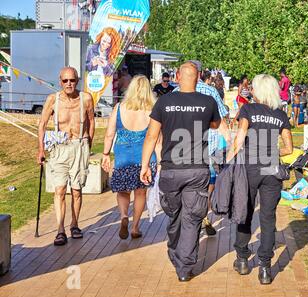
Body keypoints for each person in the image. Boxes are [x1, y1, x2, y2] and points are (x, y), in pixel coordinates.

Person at [140, 62, 221, 282]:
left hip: (171, 169)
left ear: (177, 76)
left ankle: (179, 257)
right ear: (198, 78)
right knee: (191, 217)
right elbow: (215, 124)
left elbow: (151, 136)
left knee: (177, 215)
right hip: (197, 169)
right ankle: (184, 264)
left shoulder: (165, 102)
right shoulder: (208, 101)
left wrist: (145, 165)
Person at [226, 74, 293, 285]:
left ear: (259, 90)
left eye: (253, 88)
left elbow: (239, 138)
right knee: (268, 218)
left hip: (249, 168)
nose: (251, 91)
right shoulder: (280, 114)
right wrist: (272, 154)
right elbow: (289, 148)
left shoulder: (248, 110)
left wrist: (227, 160)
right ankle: (265, 268)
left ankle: (243, 259)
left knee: (244, 213)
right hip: (271, 170)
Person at [37, 67, 95, 246]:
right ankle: (60, 229)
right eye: (65, 81)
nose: (69, 84)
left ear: (77, 80)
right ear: (60, 81)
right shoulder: (53, 100)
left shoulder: (85, 98)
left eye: (72, 80)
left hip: (79, 145)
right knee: (59, 190)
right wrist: (41, 150)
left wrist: (88, 144)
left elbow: (92, 121)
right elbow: (42, 124)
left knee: (76, 190)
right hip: (59, 148)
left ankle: (75, 224)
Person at [173, 60, 231, 237]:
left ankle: (190, 218)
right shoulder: (211, 91)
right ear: (199, 74)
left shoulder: (175, 93)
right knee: (207, 187)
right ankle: (202, 214)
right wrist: (230, 144)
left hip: (182, 148)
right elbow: (222, 117)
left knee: (186, 186)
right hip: (209, 147)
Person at [101, 75, 157, 240]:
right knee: (140, 193)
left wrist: (105, 154)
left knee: (123, 191)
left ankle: (124, 215)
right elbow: (157, 137)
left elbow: (109, 134)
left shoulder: (119, 108)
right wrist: (160, 161)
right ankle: (135, 227)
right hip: (145, 159)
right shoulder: (152, 110)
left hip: (122, 158)